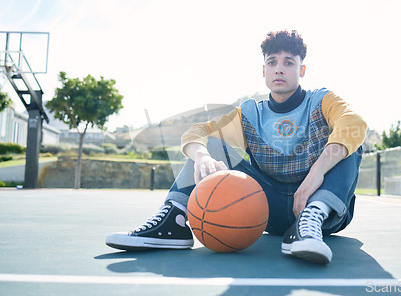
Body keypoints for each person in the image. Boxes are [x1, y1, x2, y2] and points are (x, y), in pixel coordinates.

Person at [106, 30, 367, 264]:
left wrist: (317, 173)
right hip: (267, 209)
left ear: (302, 70)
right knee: (213, 143)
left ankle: (309, 223)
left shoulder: (322, 101)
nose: (279, 69)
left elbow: (354, 123)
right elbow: (197, 132)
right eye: (272, 62)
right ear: (263, 70)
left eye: (289, 62)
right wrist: (202, 157)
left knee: (349, 141)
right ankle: (174, 221)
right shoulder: (249, 114)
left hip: (320, 208)